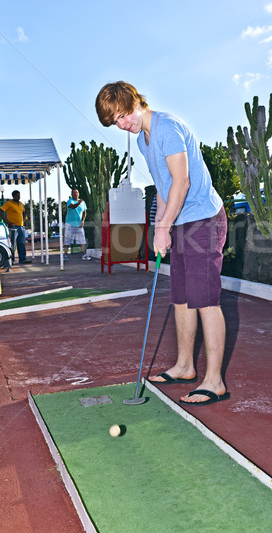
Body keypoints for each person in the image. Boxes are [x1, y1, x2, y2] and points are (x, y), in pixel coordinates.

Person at [95, 81, 229, 406]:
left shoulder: (167, 126)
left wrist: (162, 226)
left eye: (124, 115)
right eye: (116, 122)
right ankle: (185, 366)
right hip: (180, 221)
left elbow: (182, 182)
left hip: (203, 219)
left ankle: (215, 381)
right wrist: (162, 224)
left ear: (137, 102)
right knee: (181, 297)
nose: (123, 124)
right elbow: (165, 185)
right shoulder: (143, 140)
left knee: (205, 299)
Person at [0, 190, 31, 264]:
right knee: (12, 244)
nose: (18, 197)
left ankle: (22, 259)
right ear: (13, 196)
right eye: (17, 195)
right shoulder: (9, 203)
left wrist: (23, 221)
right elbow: (0, 210)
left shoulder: (21, 204)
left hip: (21, 227)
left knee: (22, 243)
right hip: (13, 226)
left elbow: (24, 212)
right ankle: (12, 260)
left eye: (19, 195)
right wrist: (6, 221)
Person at [64, 189, 91, 260]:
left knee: (82, 240)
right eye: (74, 193)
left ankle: (84, 255)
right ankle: (65, 255)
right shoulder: (69, 201)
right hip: (70, 223)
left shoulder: (83, 202)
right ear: (71, 194)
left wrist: (82, 221)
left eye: (77, 192)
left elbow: (84, 212)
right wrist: (79, 202)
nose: (76, 194)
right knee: (67, 240)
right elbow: (73, 207)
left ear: (78, 194)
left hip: (79, 224)